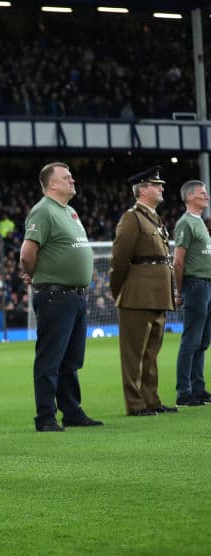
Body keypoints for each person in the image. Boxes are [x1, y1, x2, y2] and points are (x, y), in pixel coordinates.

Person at [19, 162, 104, 432]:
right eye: (66, 177)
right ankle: (45, 417)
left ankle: (72, 411)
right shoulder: (43, 211)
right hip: (55, 295)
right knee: (51, 358)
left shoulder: (70, 212)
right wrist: (35, 276)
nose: (72, 180)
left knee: (71, 359)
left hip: (75, 296)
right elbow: (27, 253)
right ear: (52, 184)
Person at [110, 167, 177, 416]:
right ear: (143, 189)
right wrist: (120, 291)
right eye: (156, 184)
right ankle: (135, 404)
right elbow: (119, 260)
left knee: (151, 352)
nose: (161, 188)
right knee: (133, 354)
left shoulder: (153, 218)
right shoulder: (132, 218)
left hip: (157, 293)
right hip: (137, 295)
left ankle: (152, 400)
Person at [172, 179, 211, 407]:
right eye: (202, 193)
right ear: (189, 197)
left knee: (202, 340)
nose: (206, 197)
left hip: (205, 285)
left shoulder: (199, 223)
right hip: (195, 286)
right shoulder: (185, 223)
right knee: (191, 340)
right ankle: (184, 391)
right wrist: (179, 291)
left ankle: (198, 388)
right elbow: (178, 262)